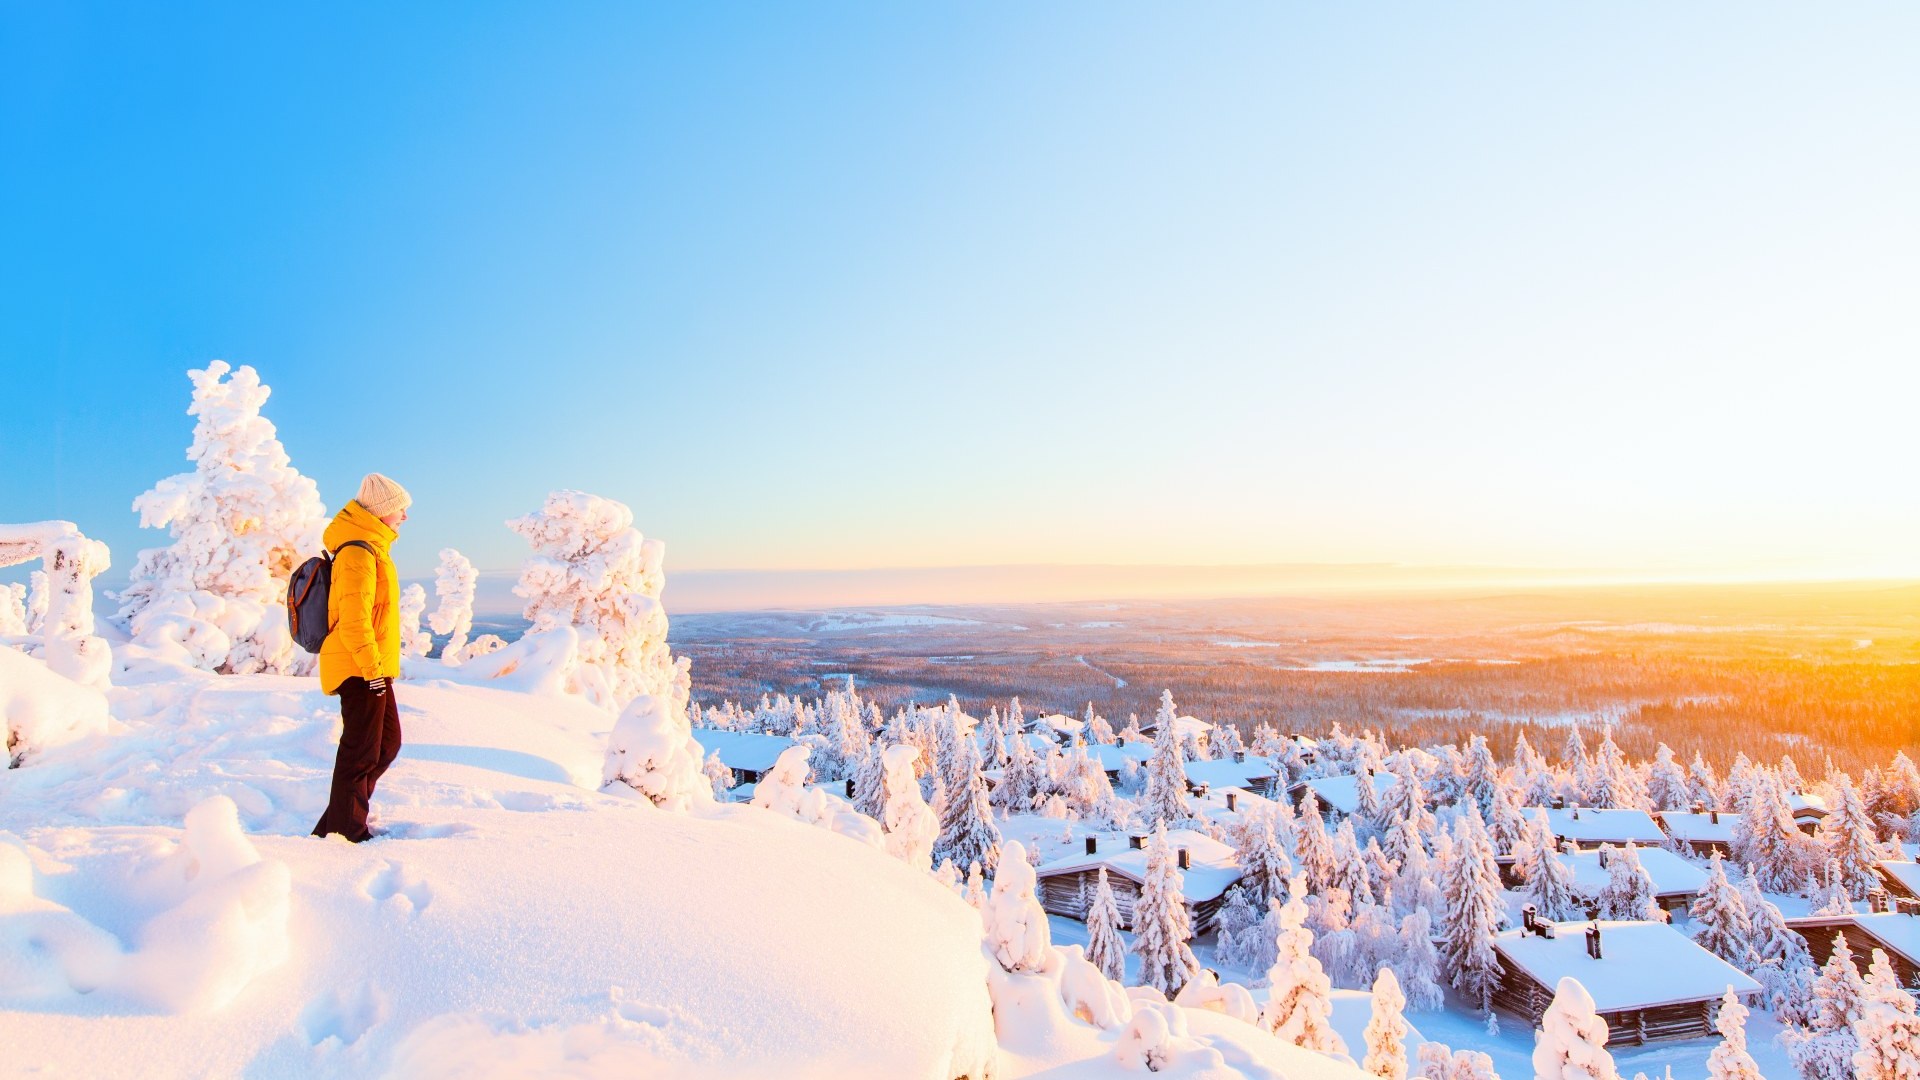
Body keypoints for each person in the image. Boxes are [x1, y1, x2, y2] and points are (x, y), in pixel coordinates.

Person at [311, 473, 411, 842]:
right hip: (360, 667)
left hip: (370, 666)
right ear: (383, 511)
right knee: (361, 751)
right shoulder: (357, 551)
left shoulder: (369, 548)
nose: (405, 517)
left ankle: (339, 820)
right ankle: (345, 831)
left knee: (385, 744)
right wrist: (371, 669)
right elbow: (354, 620)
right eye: (401, 509)